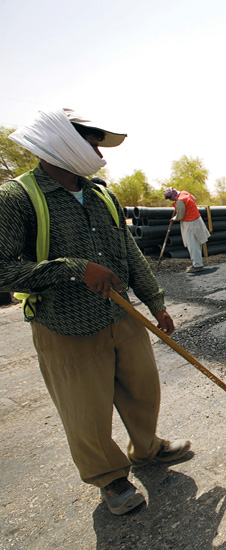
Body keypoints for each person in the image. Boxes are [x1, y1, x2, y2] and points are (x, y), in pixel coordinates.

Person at [0, 108, 190, 516]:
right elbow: (2, 269)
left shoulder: (101, 191)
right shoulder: (17, 198)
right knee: (86, 410)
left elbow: (128, 250)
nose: (96, 151)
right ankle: (110, 479)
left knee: (143, 389)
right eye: (89, 141)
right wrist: (73, 269)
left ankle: (147, 447)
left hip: (121, 316)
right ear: (58, 141)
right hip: (66, 324)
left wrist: (155, 301)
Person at [163, 186, 210, 272]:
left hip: (190, 223)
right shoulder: (184, 193)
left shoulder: (180, 201)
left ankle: (197, 265)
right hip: (196, 219)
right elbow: (194, 199)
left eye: (170, 198)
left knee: (192, 244)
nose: (170, 200)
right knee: (196, 243)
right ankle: (198, 263)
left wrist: (174, 218)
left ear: (173, 195)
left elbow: (181, 216)